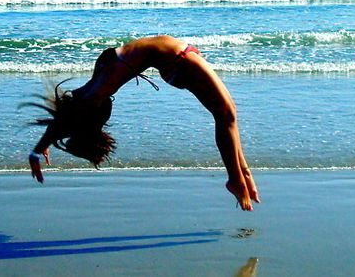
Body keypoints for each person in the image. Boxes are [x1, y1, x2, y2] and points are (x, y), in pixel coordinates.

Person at [27, 35, 260, 211]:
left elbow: (69, 108)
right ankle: (235, 179)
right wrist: (42, 145)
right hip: (178, 61)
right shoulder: (100, 89)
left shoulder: (95, 85)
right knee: (226, 115)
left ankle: (243, 173)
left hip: (178, 60)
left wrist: (39, 148)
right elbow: (70, 113)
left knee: (228, 114)